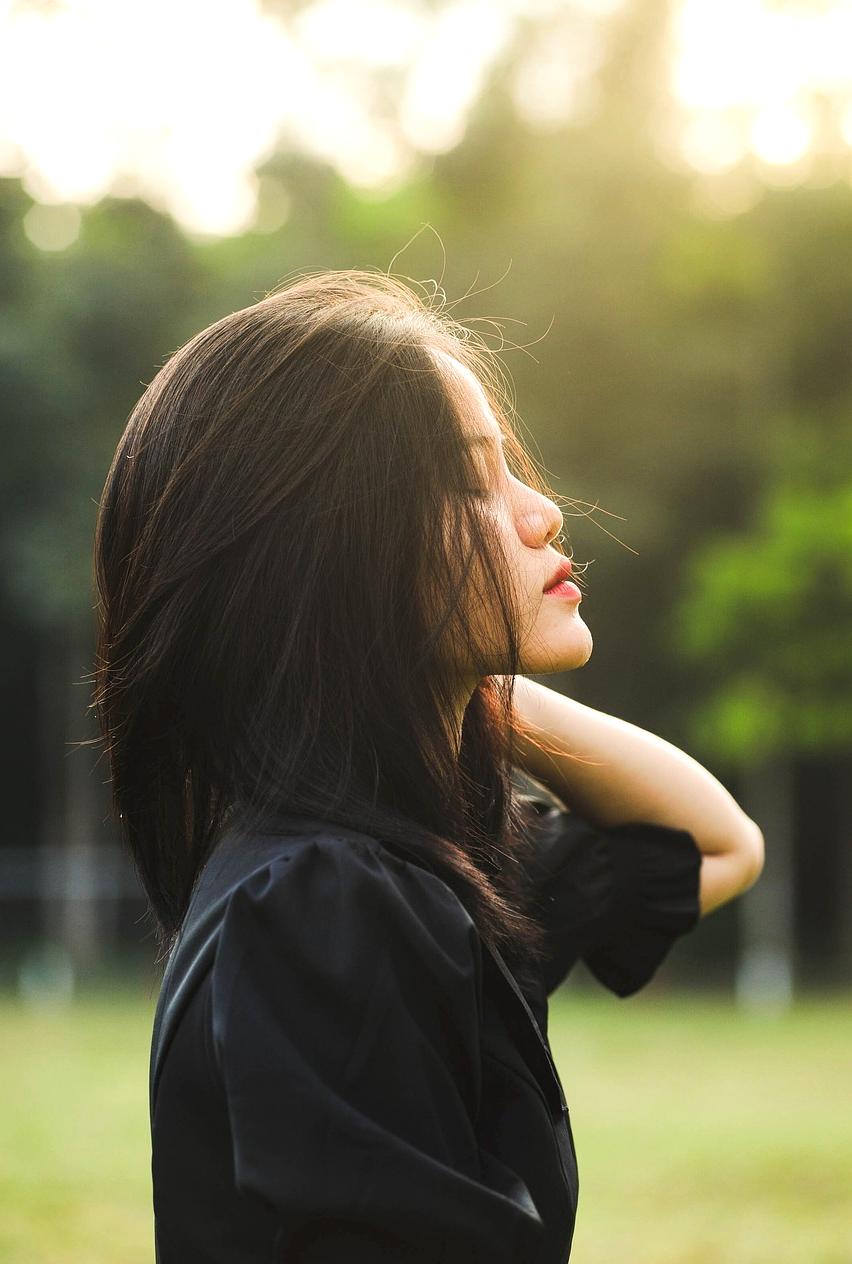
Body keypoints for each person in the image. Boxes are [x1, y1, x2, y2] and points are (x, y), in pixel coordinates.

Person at [90, 269, 765, 1262]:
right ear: (339, 548)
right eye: (471, 477)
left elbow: (717, 843)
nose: (543, 512)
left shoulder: (411, 872)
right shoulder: (328, 903)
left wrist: (474, 683)